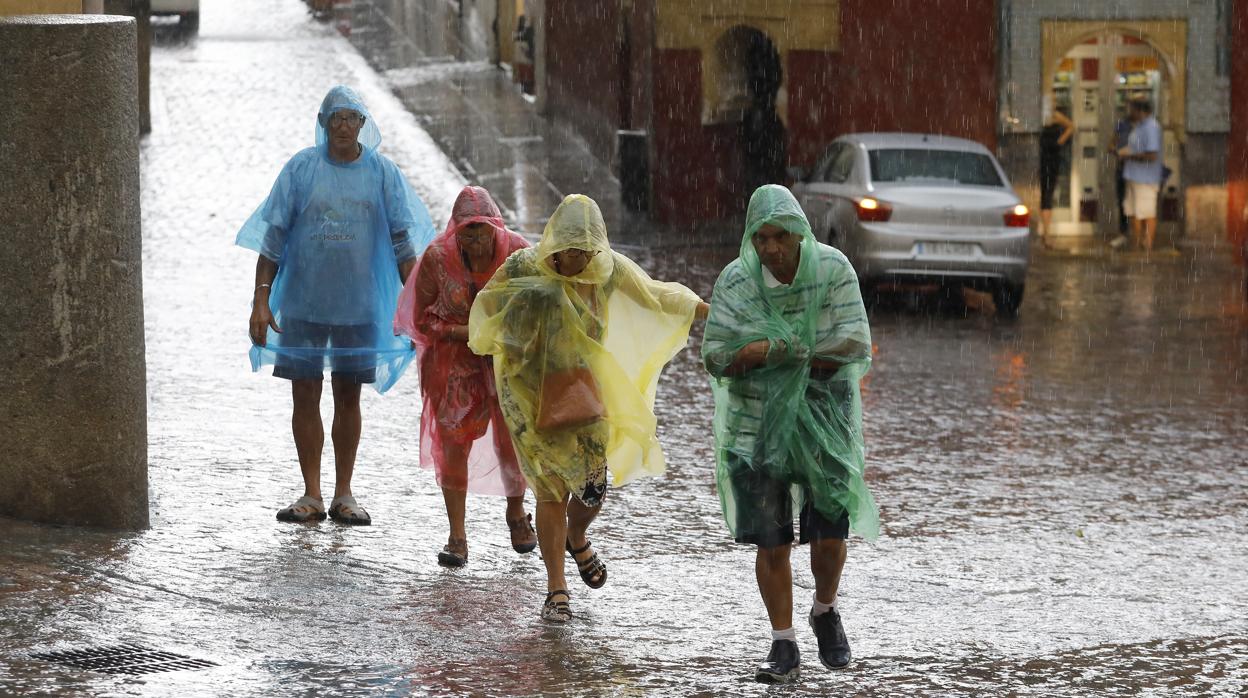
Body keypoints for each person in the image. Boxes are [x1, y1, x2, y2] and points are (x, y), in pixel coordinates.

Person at [468, 194, 709, 623]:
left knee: (593, 488)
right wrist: (515, 334)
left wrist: (702, 309)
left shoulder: (608, 270)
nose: (572, 259)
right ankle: (556, 588)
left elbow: (654, 295)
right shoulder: (525, 267)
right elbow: (489, 304)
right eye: (565, 249)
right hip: (529, 394)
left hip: (586, 394)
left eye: (581, 250)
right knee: (548, 490)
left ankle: (576, 535)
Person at [702, 185, 879, 683]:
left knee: (828, 539)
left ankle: (825, 610)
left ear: (800, 233)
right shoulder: (737, 283)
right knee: (772, 543)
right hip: (756, 427)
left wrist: (795, 353)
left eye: (781, 236)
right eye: (762, 238)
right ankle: (783, 643)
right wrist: (759, 353)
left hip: (825, 424)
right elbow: (716, 354)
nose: (772, 248)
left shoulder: (834, 271)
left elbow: (854, 344)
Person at [237, 85, 436, 525]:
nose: (343, 126)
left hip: (360, 306)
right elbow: (272, 239)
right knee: (304, 394)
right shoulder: (301, 170)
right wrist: (261, 300)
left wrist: (418, 305)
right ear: (323, 123)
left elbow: (404, 243)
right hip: (304, 305)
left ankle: (344, 492)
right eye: (336, 118)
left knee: (349, 396)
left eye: (352, 118)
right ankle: (311, 492)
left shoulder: (382, 173)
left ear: (363, 124)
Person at [393, 186, 536, 566]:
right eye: (467, 230)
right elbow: (422, 318)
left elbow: (537, 306)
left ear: (496, 226)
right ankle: (457, 535)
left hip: (507, 362)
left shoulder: (519, 254)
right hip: (453, 365)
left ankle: (517, 513)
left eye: (482, 228)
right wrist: (465, 333)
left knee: (513, 441)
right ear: (455, 230)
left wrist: (501, 335)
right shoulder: (438, 259)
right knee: (454, 446)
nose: (475, 237)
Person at [1118, 98, 1165, 253]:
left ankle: (1147, 244)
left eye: (1131, 109)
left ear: (1140, 111)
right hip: (1133, 175)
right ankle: (1137, 243)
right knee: (1133, 211)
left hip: (1145, 178)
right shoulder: (1139, 126)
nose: (1129, 112)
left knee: (1146, 212)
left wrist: (1129, 156)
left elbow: (1152, 155)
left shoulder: (1151, 127)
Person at [1038, 105, 1075, 248]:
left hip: (1046, 167)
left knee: (1046, 199)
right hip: (1048, 168)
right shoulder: (1054, 138)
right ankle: (1046, 235)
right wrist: (1061, 118)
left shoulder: (1046, 134)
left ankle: (1046, 234)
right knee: (1046, 199)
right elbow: (1072, 126)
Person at [1108, 107, 1134, 248]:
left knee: (1136, 202)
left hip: (1137, 169)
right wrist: (1117, 151)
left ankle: (1137, 235)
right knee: (1123, 201)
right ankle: (1124, 233)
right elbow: (1111, 144)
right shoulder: (1121, 124)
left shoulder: (1144, 126)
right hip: (1122, 167)